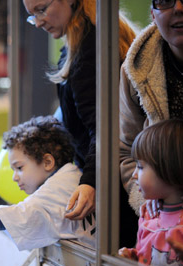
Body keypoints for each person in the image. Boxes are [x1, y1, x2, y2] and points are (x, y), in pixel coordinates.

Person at [23, 0, 136, 221]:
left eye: (42, 10)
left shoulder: (89, 49)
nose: (37, 23)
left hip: (116, 187)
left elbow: (104, 126)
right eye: (32, 15)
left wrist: (91, 182)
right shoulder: (93, 39)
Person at [0, 116, 96, 251]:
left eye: (19, 168)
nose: (14, 177)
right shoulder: (72, 175)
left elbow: (16, 215)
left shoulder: (56, 188)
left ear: (47, 162)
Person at [119, 0, 183, 217]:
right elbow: (126, 150)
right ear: (153, 14)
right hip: (168, 214)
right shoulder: (135, 70)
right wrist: (146, 196)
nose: (178, 8)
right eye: (164, 1)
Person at [118, 120, 183, 266]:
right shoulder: (147, 214)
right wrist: (133, 257)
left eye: (141, 166)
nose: (134, 174)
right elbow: (145, 255)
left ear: (172, 167)